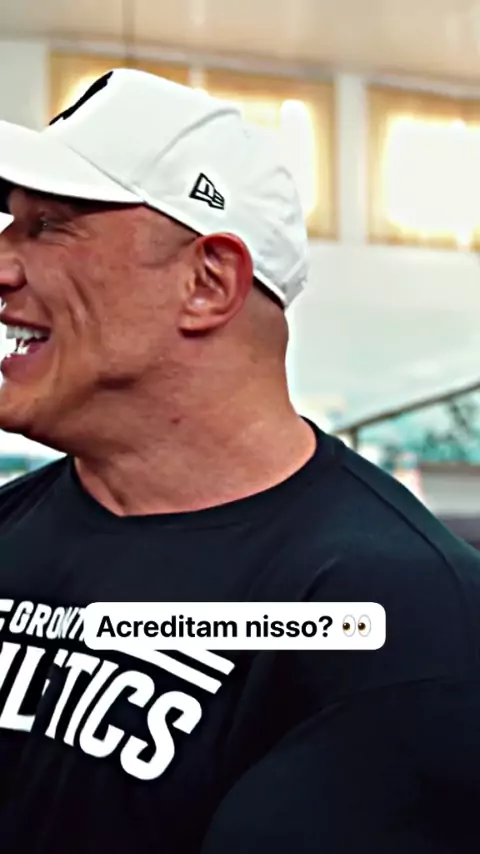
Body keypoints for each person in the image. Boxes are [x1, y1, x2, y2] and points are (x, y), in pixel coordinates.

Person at [0, 68, 478, 854]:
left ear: (208, 282)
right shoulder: (11, 527)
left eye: (48, 226)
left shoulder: (398, 616)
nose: (4, 266)